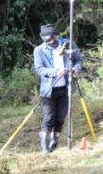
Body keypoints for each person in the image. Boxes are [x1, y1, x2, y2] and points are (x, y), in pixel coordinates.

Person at [32, 24, 82, 154]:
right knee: (48, 118)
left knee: (60, 118)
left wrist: (76, 70)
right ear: (43, 39)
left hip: (66, 87)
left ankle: (54, 143)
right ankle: (44, 147)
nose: (51, 41)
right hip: (49, 90)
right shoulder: (39, 50)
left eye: (53, 37)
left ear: (56, 35)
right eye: (47, 40)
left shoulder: (69, 44)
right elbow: (40, 69)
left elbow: (78, 60)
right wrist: (55, 72)